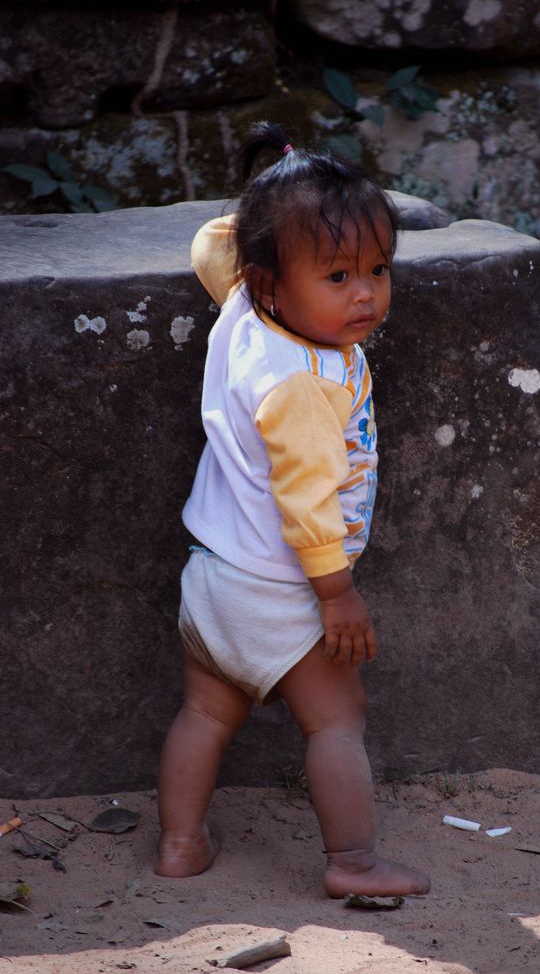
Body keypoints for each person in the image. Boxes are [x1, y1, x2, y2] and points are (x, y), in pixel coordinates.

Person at [155, 121, 430, 899]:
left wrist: (271, 188)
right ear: (273, 279)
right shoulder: (307, 383)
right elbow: (306, 500)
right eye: (337, 276)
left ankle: (180, 843)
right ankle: (352, 861)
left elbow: (213, 242)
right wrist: (336, 593)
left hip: (212, 577)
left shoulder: (243, 305)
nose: (366, 293)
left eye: (378, 268)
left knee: (204, 717)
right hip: (286, 590)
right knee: (337, 719)